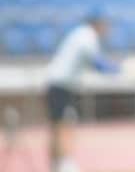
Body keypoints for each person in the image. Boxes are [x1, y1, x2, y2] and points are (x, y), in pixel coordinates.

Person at [46, 12, 118, 172]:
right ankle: (65, 164)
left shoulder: (79, 34)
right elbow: (99, 64)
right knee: (64, 124)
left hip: (56, 84)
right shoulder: (87, 36)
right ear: (98, 24)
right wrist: (120, 69)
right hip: (62, 86)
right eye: (106, 25)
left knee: (57, 125)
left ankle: (56, 165)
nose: (107, 30)